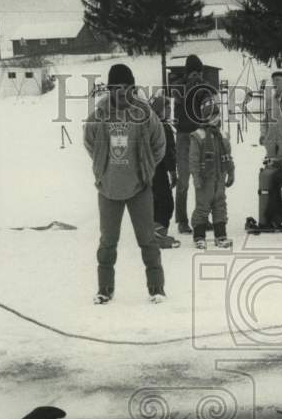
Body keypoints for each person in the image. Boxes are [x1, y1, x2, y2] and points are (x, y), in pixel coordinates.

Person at [83, 63, 167, 304]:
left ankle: (156, 288)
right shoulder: (99, 115)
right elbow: (89, 142)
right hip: (108, 189)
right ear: (109, 89)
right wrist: (103, 167)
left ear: (132, 88)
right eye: (115, 87)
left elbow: (159, 144)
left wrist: (147, 168)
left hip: (139, 187)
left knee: (148, 240)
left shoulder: (144, 114)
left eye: (125, 87)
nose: (120, 91)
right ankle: (104, 289)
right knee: (107, 242)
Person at [173, 54, 215, 235]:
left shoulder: (204, 88)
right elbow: (180, 105)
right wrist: (193, 86)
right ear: (187, 73)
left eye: (199, 73)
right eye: (193, 73)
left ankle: (202, 217)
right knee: (183, 180)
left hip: (201, 135)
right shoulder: (179, 88)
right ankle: (182, 220)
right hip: (183, 136)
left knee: (204, 179)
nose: (196, 76)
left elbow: (210, 105)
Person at [189, 95, 235, 249]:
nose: (215, 118)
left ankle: (220, 235)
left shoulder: (222, 135)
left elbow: (228, 155)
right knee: (202, 207)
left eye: (216, 115)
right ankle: (199, 236)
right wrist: (196, 176)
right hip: (205, 178)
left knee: (220, 205)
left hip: (219, 177)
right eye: (211, 115)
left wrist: (231, 172)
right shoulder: (198, 136)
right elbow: (194, 159)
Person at [149, 95, 179, 249]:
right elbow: (169, 152)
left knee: (155, 202)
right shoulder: (163, 127)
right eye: (166, 107)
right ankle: (159, 236)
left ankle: (155, 233)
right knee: (166, 203)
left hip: (148, 170)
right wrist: (173, 172)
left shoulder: (148, 125)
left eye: (170, 107)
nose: (169, 110)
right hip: (159, 170)